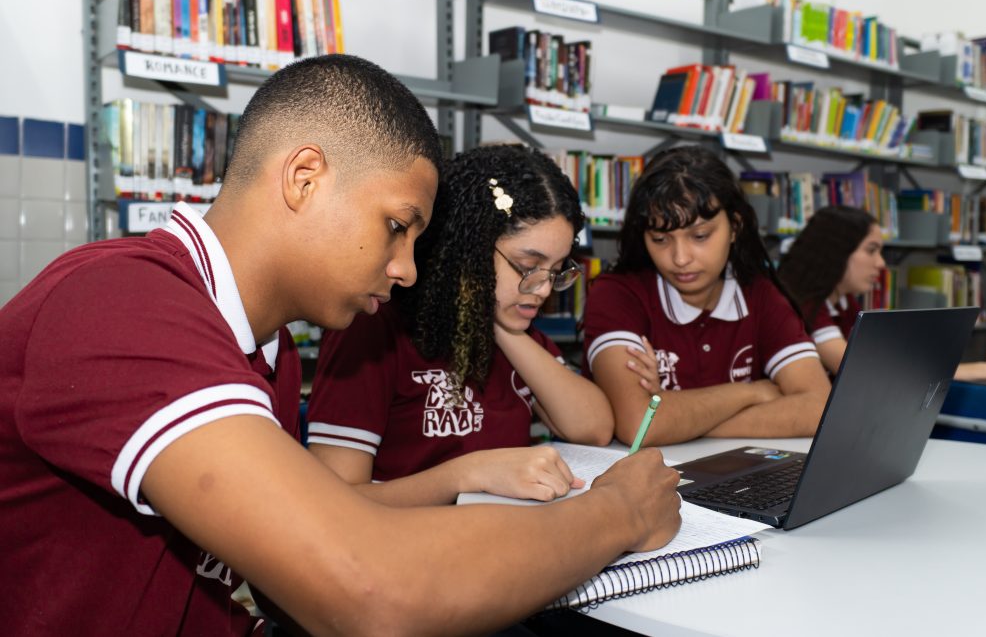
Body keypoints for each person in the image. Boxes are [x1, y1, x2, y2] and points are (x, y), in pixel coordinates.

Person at [0, 54, 681, 636]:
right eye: (396, 225)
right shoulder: (123, 305)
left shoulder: (269, 346)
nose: (410, 269)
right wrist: (615, 513)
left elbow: (313, 549)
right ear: (303, 178)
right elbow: (366, 588)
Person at [307, 144, 614, 505]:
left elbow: (594, 428)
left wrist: (502, 324)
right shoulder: (375, 331)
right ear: (469, 249)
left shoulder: (514, 329)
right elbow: (334, 504)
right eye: (527, 267)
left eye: (557, 270)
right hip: (400, 546)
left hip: (494, 540)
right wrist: (469, 474)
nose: (544, 289)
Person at [583, 146, 831, 446]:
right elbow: (640, 426)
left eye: (700, 236)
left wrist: (674, 414)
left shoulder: (759, 293)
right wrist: (751, 393)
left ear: (734, 227)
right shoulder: (616, 294)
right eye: (660, 239)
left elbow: (819, 408)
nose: (680, 258)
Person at [778, 204, 986, 383]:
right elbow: (854, 367)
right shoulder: (806, 304)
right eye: (871, 250)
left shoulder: (843, 300)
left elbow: (874, 357)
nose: (881, 263)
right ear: (836, 252)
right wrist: (959, 371)